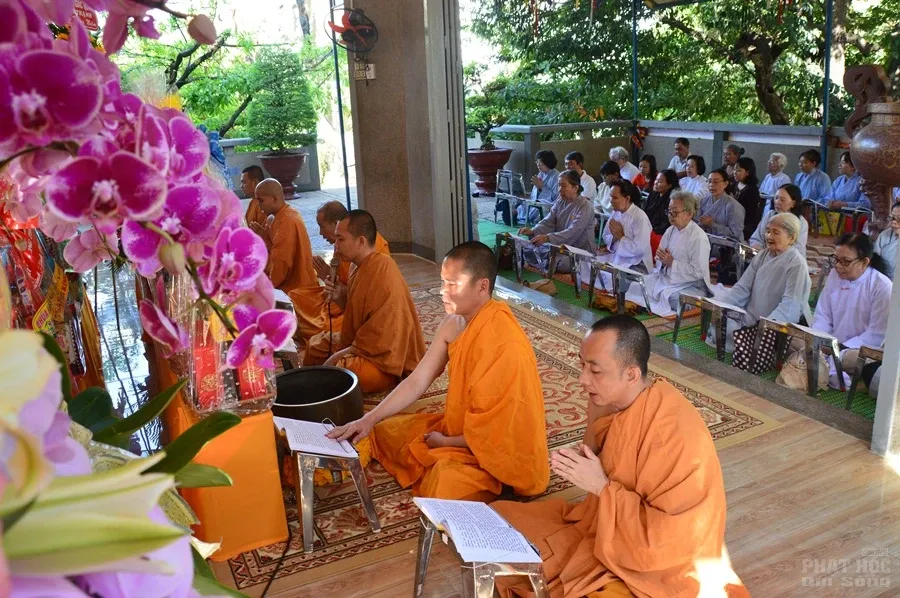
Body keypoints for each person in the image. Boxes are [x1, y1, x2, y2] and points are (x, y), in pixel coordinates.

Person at [493, 316, 747, 598]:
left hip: (666, 560)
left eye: (595, 370)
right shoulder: (615, 400)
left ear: (631, 374)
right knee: (501, 517)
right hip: (609, 526)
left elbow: (673, 539)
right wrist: (586, 464)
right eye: (582, 365)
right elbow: (596, 453)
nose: (582, 378)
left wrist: (601, 487)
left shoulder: (670, 432)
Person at [328, 241, 549, 501]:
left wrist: (446, 443)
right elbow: (418, 381)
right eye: (442, 282)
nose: (442, 291)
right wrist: (368, 419)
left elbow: (501, 432)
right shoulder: (452, 324)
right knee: (385, 431)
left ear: (482, 286)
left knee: (443, 483)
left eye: (452, 284)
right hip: (461, 430)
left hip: (499, 452)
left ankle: (489, 486)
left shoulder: (504, 342)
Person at [303, 210, 426, 394]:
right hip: (361, 344)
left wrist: (341, 354)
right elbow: (356, 313)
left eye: (340, 239)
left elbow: (382, 334)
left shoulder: (382, 269)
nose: (335, 245)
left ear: (360, 241)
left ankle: (387, 378)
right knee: (315, 346)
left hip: (385, 358)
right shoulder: (356, 267)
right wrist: (339, 295)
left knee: (346, 371)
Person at [710, 213, 811, 374]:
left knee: (759, 343)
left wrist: (766, 327)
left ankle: (766, 351)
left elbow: (790, 304)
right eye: (768, 231)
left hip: (777, 324)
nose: (769, 236)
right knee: (721, 324)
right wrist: (722, 306)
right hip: (751, 316)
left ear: (792, 238)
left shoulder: (796, 263)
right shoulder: (763, 255)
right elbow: (743, 287)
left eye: (776, 232)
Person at [293, 201, 392, 346]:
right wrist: (330, 277)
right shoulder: (344, 245)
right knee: (296, 298)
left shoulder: (376, 257)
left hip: (355, 308)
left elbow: (367, 303)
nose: (320, 233)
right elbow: (343, 280)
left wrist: (339, 289)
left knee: (324, 331)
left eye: (322, 226)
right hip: (342, 300)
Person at [811, 233, 892, 388]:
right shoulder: (835, 275)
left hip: (856, 351)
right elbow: (823, 315)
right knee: (794, 338)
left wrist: (839, 348)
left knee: (852, 359)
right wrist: (820, 341)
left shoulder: (882, 287)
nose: (838, 266)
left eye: (846, 262)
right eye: (836, 259)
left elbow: (876, 334)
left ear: (865, 262)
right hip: (830, 345)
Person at [629, 191, 712, 316]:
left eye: (675, 212)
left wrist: (672, 262)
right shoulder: (670, 230)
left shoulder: (699, 237)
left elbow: (698, 272)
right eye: (669, 211)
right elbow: (660, 258)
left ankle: (693, 304)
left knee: (673, 299)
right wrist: (661, 259)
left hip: (692, 285)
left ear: (689, 214)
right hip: (667, 278)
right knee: (637, 285)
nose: (671, 215)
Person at [518, 170, 596, 273]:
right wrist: (533, 231)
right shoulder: (560, 201)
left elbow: (573, 232)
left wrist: (548, 238)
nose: (559, 190)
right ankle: (546, 260)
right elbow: (549, 220)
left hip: (580, 249)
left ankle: (547, 261)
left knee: (564, 263)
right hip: (560, 245)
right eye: (559, 186)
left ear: (575, 188)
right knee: (531, 248)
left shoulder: (585, 206)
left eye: (563, 186)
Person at [253, 179, 320, 297]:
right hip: (299, 286)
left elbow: (280, 268)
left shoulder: (286, 221)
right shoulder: (287, 214)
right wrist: (265, 239)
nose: (259, 205)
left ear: (274, 199)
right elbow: (277, 250)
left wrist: (264, 287)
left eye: (261, 200)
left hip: (297, 292)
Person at [597, 180, 653, 287]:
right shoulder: (615, 212)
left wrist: (621, 237)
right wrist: (614, 238)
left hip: (637, 263)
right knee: (593, 266)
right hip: (618, 256)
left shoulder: (640, 217)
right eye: (610, 197)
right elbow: (605, 235)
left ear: (627, 198)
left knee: (619, 283)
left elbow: (639, 249)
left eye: (615, 198)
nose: (611, 201)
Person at [749, 183, 809, 257]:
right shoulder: (770, 215)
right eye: (776, 198)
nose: (777, 202)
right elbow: (757, 238)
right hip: (764, 256)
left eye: (782, 200)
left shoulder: (801, 223)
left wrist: (775, 255)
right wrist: (758, 250)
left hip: (788, 260)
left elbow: (798, 248)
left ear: (793, 204)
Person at [697, 168, 745, 241]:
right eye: (709, 181)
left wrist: (712, 225)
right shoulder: (704, 200)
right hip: (706, 241)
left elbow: (735, 234)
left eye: (716, 182)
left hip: (728, 247)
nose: (711, 185)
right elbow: (698, 222)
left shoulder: (734, 206)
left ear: (725, 184)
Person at [519, 150, 560, 224]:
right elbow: (534, 196)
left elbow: (556, 198)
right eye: (537, 162)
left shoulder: (557, 177)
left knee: (538, 207)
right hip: (537, 202)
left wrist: (542, 188)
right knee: (521, 204)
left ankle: (524, 218)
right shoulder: (541, 174)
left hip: (549, 205)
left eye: (540, 163)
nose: (538, 165)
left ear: (547, 163)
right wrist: (538, 188)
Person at [643, 169, 678, 256]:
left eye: (660, 181)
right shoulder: (653, 195)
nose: (655, 183)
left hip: (660, 234)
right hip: (649, 229)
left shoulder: (672, 201)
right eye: (656, 180)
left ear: (669, 185)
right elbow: (645, 213)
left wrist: (651, 231)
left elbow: (666, 224)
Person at [733, 157, 763, 241]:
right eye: (734, 169)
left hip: (745, 224)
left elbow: (749, 212)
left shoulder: (752, 190)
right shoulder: (734, 185)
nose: (735, 173)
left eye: (738, 170)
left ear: (747, 172)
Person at [873, 201, 900, 279]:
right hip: (885, 282)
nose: (894, 222)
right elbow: (876, 260)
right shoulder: (885, 235)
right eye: (892, 218)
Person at [241, 165, 266, 230]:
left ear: (255, 183)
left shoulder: (263, 203)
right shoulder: (253, 202)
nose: (241, 186)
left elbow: (262, 233)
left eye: (244, 182)